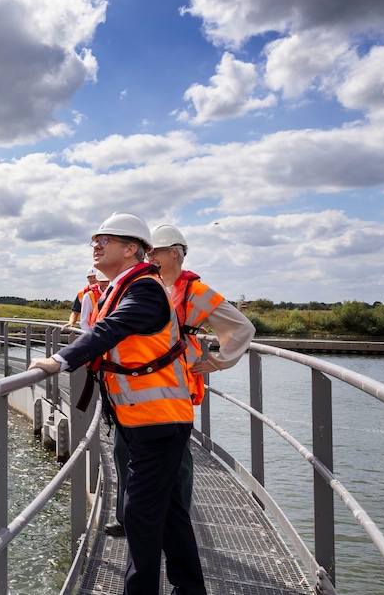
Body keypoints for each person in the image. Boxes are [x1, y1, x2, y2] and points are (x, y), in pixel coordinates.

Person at [29, 211, 206, 595]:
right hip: (146, 418)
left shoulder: (143, 289)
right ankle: (189, 588)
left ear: (130, 249)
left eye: (104, 240)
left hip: (157, 420)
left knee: (140, 514)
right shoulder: (124, 287)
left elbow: (111, 329)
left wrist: (59, 360)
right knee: (170, 511)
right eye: (94, 240)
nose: (95, 245)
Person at [149, 224, 256, 512]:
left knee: (178, 453)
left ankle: (179, 516)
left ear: (175, 254)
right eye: (148, 253)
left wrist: (218, 362)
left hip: (176, 381)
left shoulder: (197, 292)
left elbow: (243, 327)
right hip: (146, 380)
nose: (150, 258)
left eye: (155, 252)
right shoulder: (151, 285)